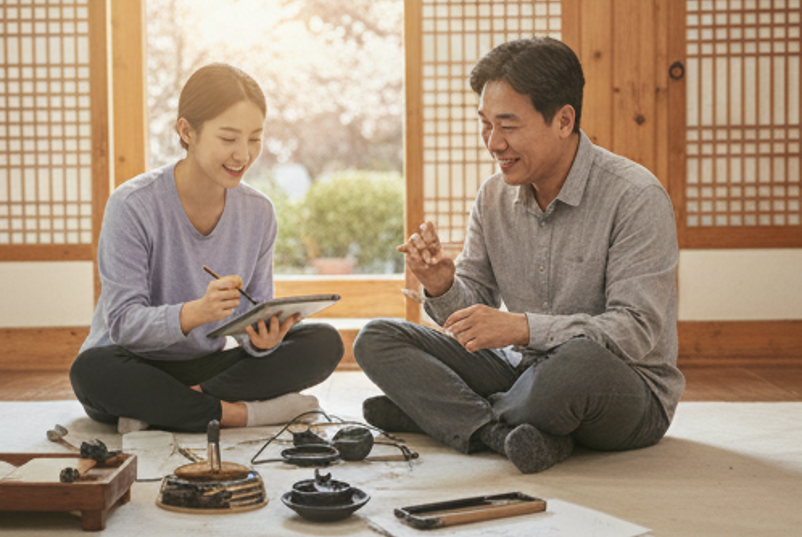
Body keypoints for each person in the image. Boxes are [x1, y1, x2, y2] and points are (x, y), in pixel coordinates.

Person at [353, 37, 685, 473]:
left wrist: (524, 328)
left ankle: (440, 414)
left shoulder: (635, 196)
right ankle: (496, 431)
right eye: (485, 125)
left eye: (508, 126)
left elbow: (634, 332)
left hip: (621, 387)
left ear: (563, 121)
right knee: (376, 338)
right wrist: (441, 285)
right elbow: (473, 319)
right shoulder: (493, 197)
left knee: (575, 365)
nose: (493, 143)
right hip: (524, 374)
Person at [70, 63, 343, 434]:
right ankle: (243, 414)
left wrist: (262, 340)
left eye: (254, 139)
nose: (243, 155)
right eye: (228, 139)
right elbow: (123, 324)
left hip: (204, 368)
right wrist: (196, 312)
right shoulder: (132, 204)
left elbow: (252, 313)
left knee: (323, 343)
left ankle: (171, 407)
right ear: (187, 132)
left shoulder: (259, 212)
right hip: (132, 361)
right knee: (90, 372)